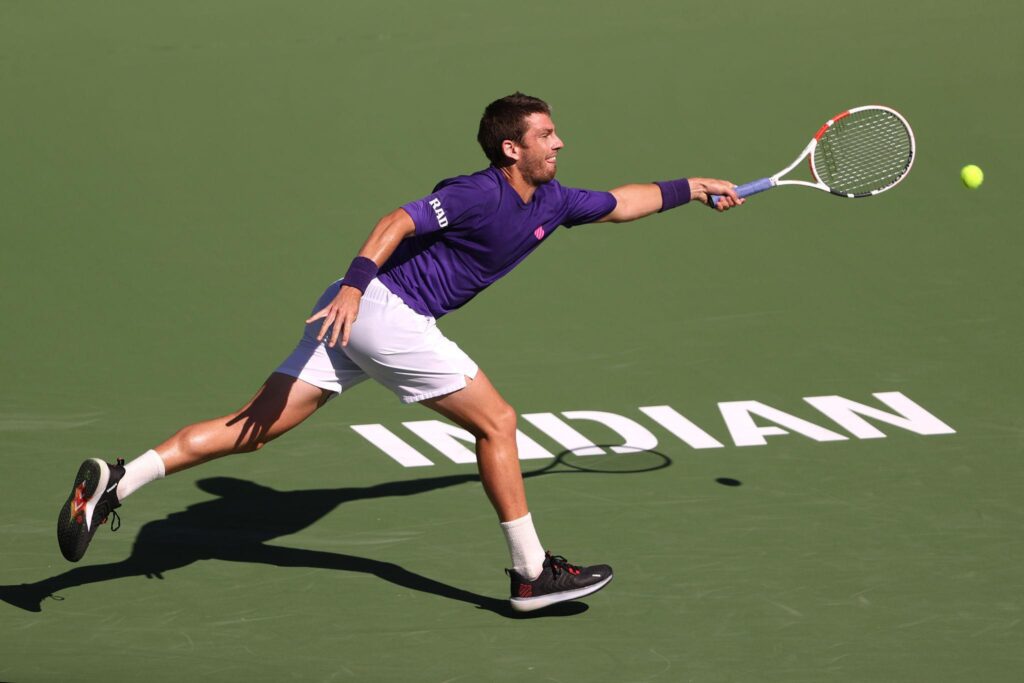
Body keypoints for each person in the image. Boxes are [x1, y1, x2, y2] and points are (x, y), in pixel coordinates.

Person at [57, 93, 742, 612]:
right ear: (511, 149)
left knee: (252, 428)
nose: (559, 140)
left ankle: (119, 480)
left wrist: (695, 187)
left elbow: (622, 201)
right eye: (544, 134)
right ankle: (531, 572)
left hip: (359, 316)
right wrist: (357, 288)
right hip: (382, 310)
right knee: (497, 422)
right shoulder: (475, 193)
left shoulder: (555, 199)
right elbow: (398, 220)